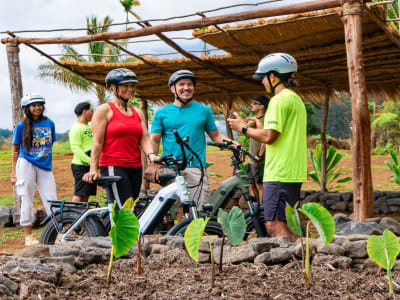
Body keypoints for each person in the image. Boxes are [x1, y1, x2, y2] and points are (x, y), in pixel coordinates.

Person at [228, 53, 307, 242]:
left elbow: (269, 136)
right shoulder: (294, 98)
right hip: (291, 171)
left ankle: (298, 262)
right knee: (286, 223)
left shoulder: (279, 100)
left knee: (274, 224)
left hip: (280, 172)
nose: (262, 82)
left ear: (273, 76)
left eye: (263, 77)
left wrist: (242, 128)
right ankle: (302, 262)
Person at [150, 70, 236, 208]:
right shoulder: (162, 113)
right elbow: (154, 140)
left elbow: (216, 135)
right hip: (171, 167)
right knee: (169, 211)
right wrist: (152, 162)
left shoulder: (204, 111)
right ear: (173, 89)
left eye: (190, 84)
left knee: (200, 209)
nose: (186, 87)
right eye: (181, 84)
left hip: (196, 167)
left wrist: (233, 144)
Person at [82, 68, 157, 209]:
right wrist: (93, 168)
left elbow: (144, 139)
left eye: (132, 86)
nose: (130, 89)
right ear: (113, 87)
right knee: (125, 209)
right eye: (126, 86)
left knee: (131, 205)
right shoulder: (104, 110)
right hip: (113, 165)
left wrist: (151, 157)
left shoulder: (138, 113)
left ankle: (112, 228)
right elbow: (97, 143)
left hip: (135, 166)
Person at [11, 93, 57, 246]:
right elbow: (15, 150)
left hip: (45, 166)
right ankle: (28, 235)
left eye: (39, 105)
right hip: (26, 164)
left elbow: (50, 145)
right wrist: (13, 173)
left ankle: (57, 233)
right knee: (26, 198)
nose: (37, 107)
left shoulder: (49, 123)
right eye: (34, 105)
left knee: (52, 199)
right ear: (27, 108)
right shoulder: (21, 126)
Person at [69, 101, 96, 202]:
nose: (93, 113)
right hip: (80, 165)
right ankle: (72, 216)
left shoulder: (90, 127)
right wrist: (91, 161)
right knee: (79, 193)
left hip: (90, 165)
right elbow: (75, 148)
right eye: (91, 111)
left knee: (86, 194)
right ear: (85, 111)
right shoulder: (76, 128)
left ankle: (82, 216)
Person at [246, 95, 269, 203]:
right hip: (251, 158)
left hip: (258, 159)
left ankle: (262, 208)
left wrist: (259, 155)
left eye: (254, 103)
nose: (252, 105)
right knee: (251, 184)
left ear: (262, 106)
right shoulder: (256, 120)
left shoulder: (265, 120)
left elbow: (265, 139)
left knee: (260, 185)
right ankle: (255, 206)